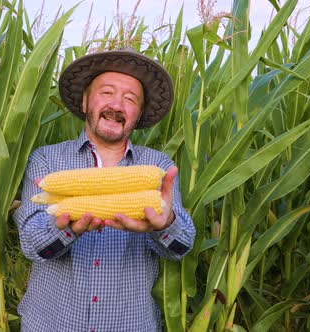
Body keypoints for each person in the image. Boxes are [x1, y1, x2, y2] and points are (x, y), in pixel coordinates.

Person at [13, 48, 196, 331]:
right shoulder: (47, 160)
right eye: (107, 93)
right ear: (86, 101)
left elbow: (182, 247)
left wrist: (166, 224)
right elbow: (30, 244)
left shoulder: (158, 166)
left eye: (130, 99)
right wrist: (66, 228)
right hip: (52, 323)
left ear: (139, 114)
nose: (117, 105)